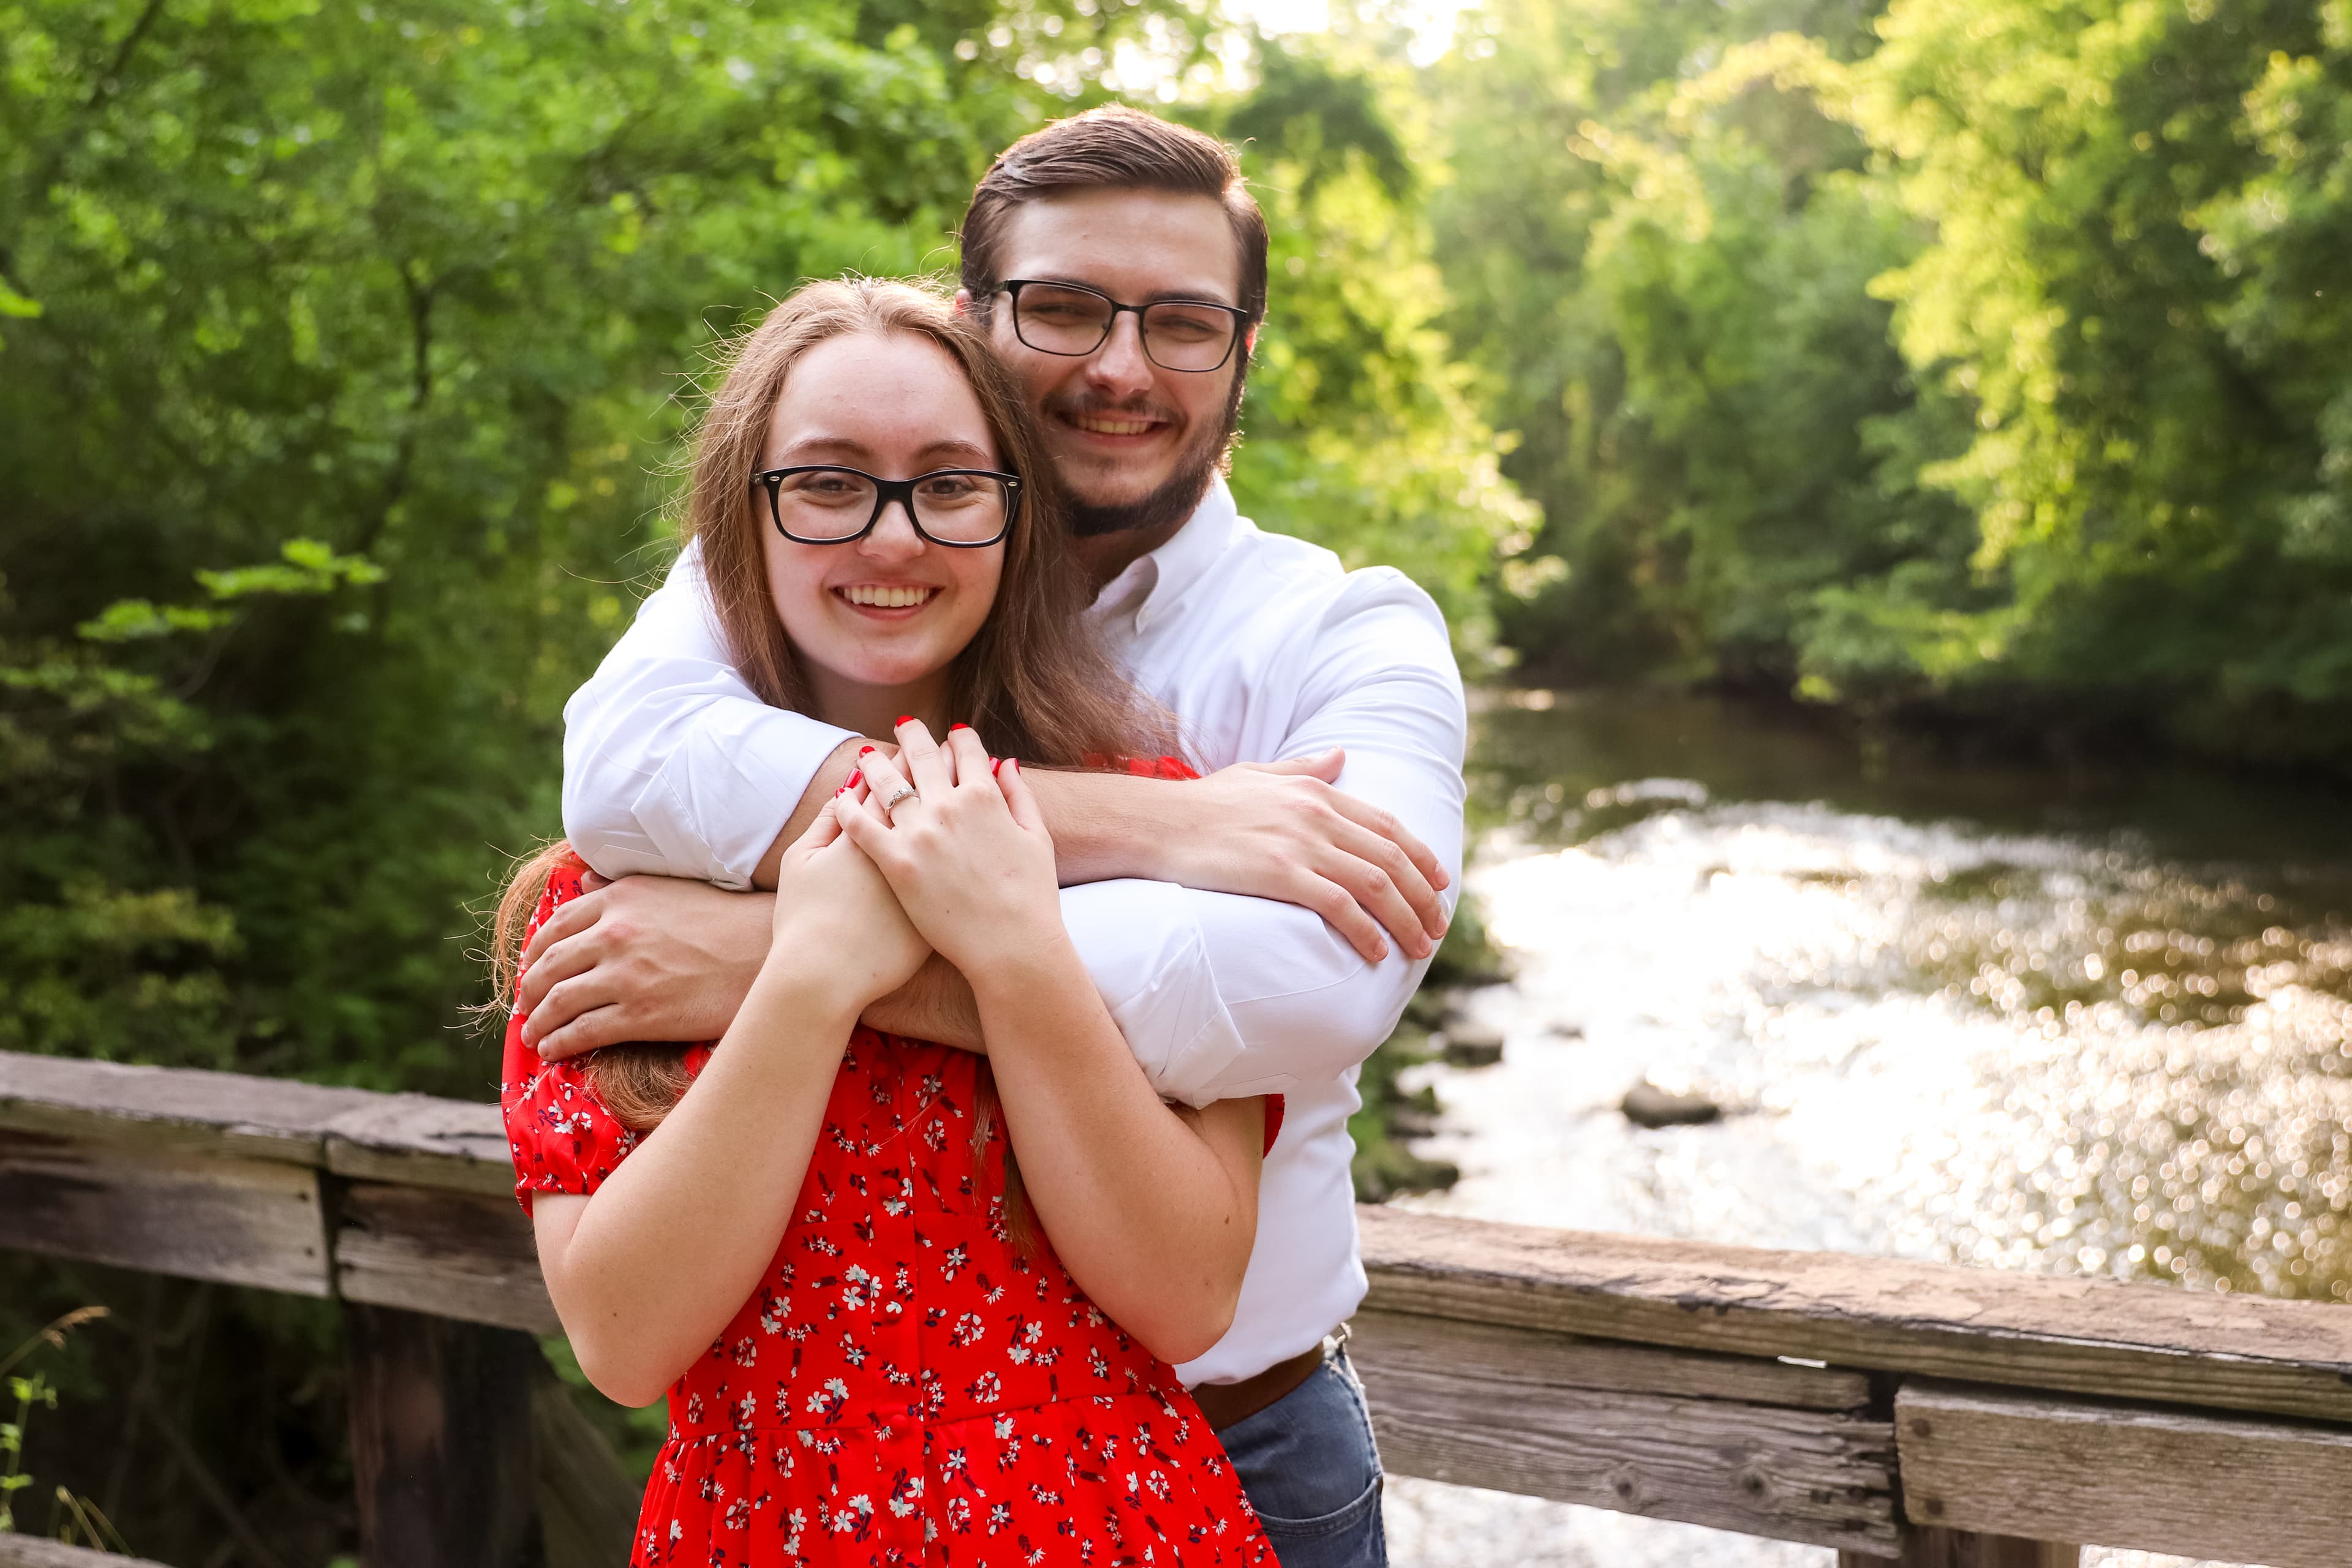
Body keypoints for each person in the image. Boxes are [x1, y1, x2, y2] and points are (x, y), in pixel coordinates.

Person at [524, 107, 1468, 1567]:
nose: (1118, 365)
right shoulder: (815, 536)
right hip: (789, 1504)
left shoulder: (1342, 632)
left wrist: (801, 948)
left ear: (1244, 351)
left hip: (1220, 1451)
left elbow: (1315, 986)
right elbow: (619, 757)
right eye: (1066, 306)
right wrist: (1140, 827)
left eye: (1183, 321)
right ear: (977, 316)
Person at [498, 277, 1281, 1564]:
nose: (892, 536)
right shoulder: (621, 889)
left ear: (1018, 519)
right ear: (738, 522)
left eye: (950, 483)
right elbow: (625, 1341)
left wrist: (1018, 946)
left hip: (1107, 1525)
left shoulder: (1150, 833)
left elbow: (1187, 1295)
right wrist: (808, 976)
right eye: (827, 482)